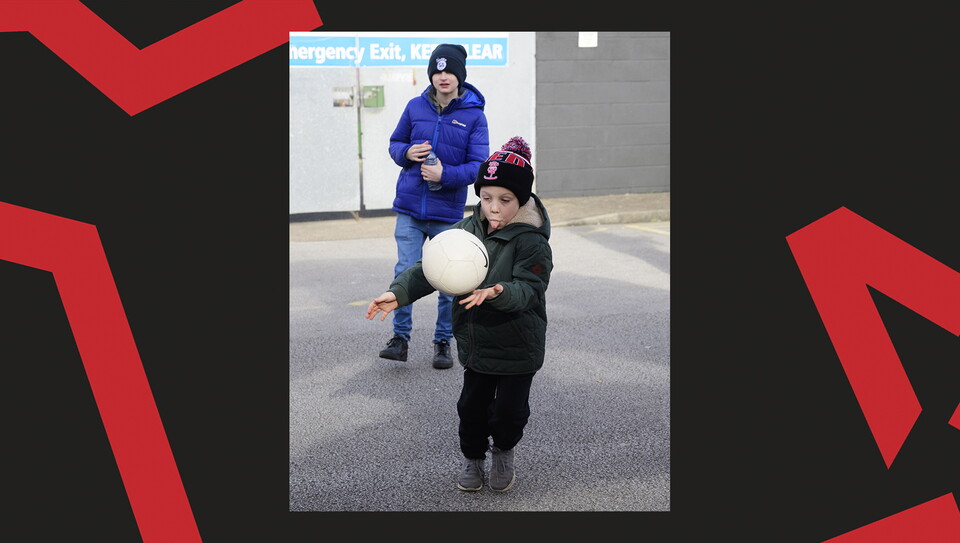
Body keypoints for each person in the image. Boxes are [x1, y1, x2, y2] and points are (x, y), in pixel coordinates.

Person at [366, 136, 552, 492]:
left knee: (509, 414)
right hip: (478, 341)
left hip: (517, 345)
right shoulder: (467, 230)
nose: (493, 208)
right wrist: (398, 292)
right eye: (486, 198)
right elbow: (430, 266)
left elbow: (531, 289)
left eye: (505, 200)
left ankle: (504, 451)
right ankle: (472, 458)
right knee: (471, 410)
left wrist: (499, 291)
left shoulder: (532, 241)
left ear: (523, 199)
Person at [379, 43, 490, 370]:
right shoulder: (415, 107)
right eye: (437, 71)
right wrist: (407, 153)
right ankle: (400, 339)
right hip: (410, 209)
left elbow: (478, 167)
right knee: (405, 271)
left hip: (447, 213)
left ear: (459, 76)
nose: (443, 77)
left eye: (449, 70)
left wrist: (445, 174)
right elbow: (395, 144)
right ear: (431, 74)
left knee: (449, 280)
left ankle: (443, 342)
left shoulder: (474, 116)